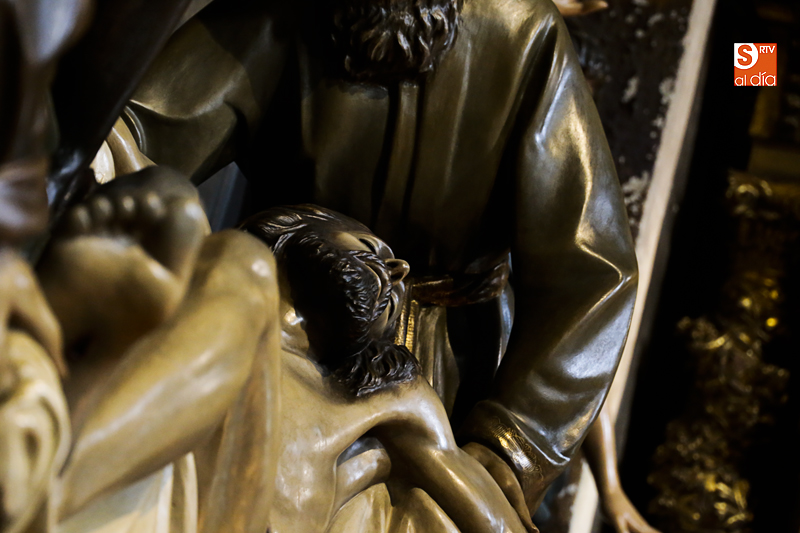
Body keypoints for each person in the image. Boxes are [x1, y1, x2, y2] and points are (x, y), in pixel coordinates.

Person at [115, 0, 638, 514]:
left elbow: (594, 272)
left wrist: (510, 448)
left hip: (448, 373)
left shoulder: (523, 32)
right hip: (281, 331)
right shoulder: (286, 11)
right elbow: (141, 130)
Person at [240, 205, 534, 532]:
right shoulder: (221, 295)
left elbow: (496, 523)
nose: (399, 270)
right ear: (284, 230)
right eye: (369, 247)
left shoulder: (375, 403)